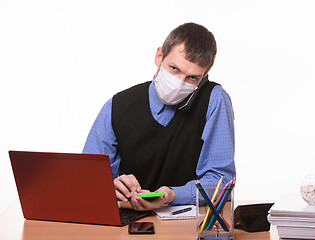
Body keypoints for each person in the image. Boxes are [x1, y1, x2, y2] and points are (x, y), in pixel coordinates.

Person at [83, 22, 236, 211]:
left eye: (192, 78)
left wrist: (171, 195)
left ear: (204, 76)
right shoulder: (117, 106)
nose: (179, 83)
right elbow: (87, 181)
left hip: (188, 225)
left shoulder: (214, 99)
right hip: (129, 222)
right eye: (174, 68)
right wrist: (111, 187)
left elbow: (221, 182)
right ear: (159, 56)